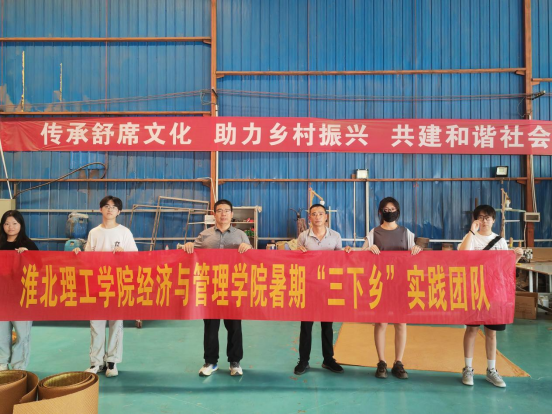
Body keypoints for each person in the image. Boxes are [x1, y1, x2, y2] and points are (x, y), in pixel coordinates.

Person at [180, 199, 252, 377]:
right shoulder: (204, 235)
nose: (223, 214)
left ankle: (235, 362)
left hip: (233, 287)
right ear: (214, 214)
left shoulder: (240, 235)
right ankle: (210, 362)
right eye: (219, 210)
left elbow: (252, 257)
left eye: (227, 210)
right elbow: (190, 252)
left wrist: (248, 247)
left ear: (232, 214)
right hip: (210, 288)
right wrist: (187, 246)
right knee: (211, 327)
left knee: (234, 326)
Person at [458, 204, 523, 388]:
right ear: (475, 220)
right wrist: (471, 231)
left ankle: (491, 370)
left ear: (494, 220)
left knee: (491, 333)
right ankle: (468, 368)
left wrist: (516, 257)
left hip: (494, 292)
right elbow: (461, 256)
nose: (484, 221)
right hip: (473, 291)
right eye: (480, 217)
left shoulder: (500, 242)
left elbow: (504, 268)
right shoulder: (470, 238)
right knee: (471, 330)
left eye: (487, 217)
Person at [74, 195, 138, 378]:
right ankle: (96, 362)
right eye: (107, 206)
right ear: (100, 209)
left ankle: (112, 362)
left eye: (114, 207)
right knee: (96, 323)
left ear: (119, 212)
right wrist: (78, 253)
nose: (110, 209)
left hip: (117, 284)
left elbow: (135, 257)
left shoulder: (125, 232)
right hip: (97, 284)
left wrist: (124, 253)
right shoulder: (94, 233)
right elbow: (87, 258)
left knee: (116, 323)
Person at [362, 197, 422, 380]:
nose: (389, 212)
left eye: (393, 209)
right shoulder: (374, 233)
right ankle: (381, 362)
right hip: (380, 284)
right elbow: (362, 256)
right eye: (386, 209)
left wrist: (417, 249)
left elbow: (415, 255)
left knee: (401, 323)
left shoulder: (406, 233)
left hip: (401, 284)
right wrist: (368, 249)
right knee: (381, 323)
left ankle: (398, 362)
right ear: (380, 212)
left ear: (398, 211)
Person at [293, 204, 352, 376]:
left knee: (327, 325)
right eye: (314, 214)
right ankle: (303, 360)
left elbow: (340, 260)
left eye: (320, 214)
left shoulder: (335, 236)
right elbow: (296, 261)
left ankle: (328, 359)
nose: (317, 217)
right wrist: (298, 253)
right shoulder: (303, 236)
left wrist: (346, 252)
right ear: (309, 217)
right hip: (309, 286)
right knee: (306, 325)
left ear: (326, 217)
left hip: (328, 286)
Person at [0, 210, 38, 371]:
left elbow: (40, 267)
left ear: (21, 225)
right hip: (2, 296)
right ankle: (2, 362)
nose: (11, 227)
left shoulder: (28, 245)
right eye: (7, 223)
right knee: (2, 332)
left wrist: (28, 257)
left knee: (22, 333)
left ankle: (19, 366)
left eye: (14, 223)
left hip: (22, 297)